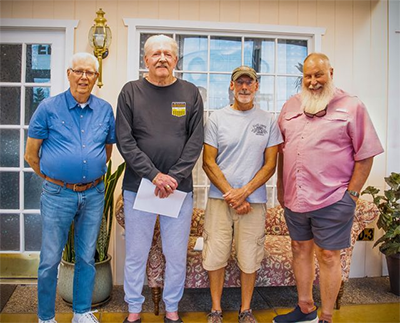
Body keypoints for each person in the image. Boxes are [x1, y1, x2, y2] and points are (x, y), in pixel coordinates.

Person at [273, 53, 384, 323]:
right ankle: (305, 308)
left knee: (329, 255)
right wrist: (280, 189)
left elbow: (365, 153)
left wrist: (352, 195)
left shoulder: (351, 106)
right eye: (308, 76)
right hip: (295, 198)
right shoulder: (290, 106)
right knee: (299, 249)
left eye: (318, 75)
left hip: (333, 198)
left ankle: (326, 317)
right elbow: (281, 152)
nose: (313, 82)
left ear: (330, 73)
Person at [116, 34, 204, 323]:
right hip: (138, 187)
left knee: (175, 254)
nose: (162, 58)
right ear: (146, 60)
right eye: (156, 54)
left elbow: (196, 140)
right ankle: (133, 310)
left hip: (179, 191)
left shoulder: (190, 93)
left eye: (168, 53)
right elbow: (125, 141)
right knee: (136, 254)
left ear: (176, 60)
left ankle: (172, 310)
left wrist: (173, 178)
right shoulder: (130, 92)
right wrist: (155, 176)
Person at [25, 52, 116, 323]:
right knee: (50, 259)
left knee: (87, 257)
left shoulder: (104, 109)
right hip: (57, 195)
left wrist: (87, 175)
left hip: (94, 193)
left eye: (90, 73)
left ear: (96, 78)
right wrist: (57, 179)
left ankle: (81, 312)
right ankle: (45, 317)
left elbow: (107, 151)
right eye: (78, 71)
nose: (84, 77)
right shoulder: (48, 108)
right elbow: (31, 155)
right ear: (68, 74)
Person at [202, 66, 283, 323]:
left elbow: (270, 164)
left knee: (250, 257)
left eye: (249, 83)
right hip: (219, 200)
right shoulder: (217, 118)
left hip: (254, 202)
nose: (244, 87)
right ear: (232, 86)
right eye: (240, 83)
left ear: (256, 87)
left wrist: (245, 192)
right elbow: (208, 162)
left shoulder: (268, 120)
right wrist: (232, 194)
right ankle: (216, 309)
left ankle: (245, 310)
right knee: (215, 254)